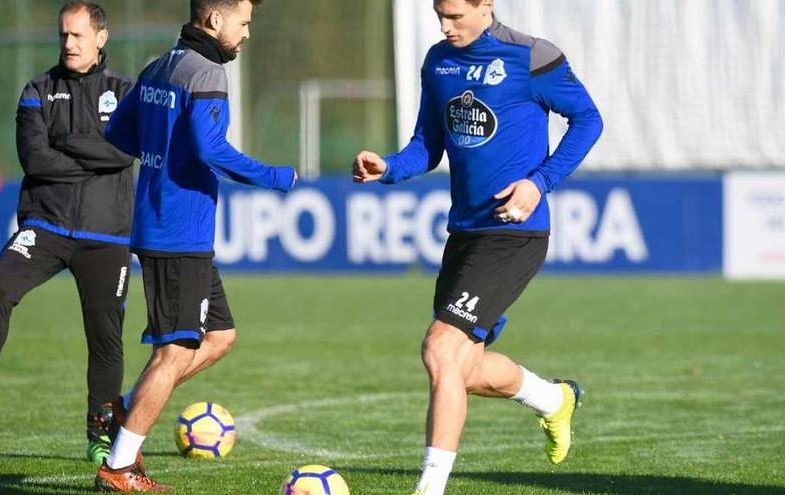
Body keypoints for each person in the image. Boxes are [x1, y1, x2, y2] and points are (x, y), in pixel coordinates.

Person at [353, 1, 603, 493]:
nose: (446, 26)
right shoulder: (438, 60)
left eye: (455, 16)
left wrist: (539, 182)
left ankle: (429, 489)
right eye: (438, 15)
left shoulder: (532, 57)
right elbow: (427, 145)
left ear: (486, 5)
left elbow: (588, 120)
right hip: (464, 234)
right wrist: (388, 167)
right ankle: (553, 400)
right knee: (462, 370)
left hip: (514, 233)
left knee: (440, 349)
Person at [96, 0, 296, 490]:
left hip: (170, 227)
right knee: (174, 352)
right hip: (177, 232)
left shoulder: (159, 65)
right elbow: (212, 149)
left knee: (220, 337)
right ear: (215, 19)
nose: (247, 33)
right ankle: (119, 465)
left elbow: (119, 131)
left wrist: (162, 153)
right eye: (244, 22)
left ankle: (126, 406)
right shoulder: (207, 71)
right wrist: (276, 176)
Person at [0, 1, 135, 466]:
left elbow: (126, 154)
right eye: (64, 34)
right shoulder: (37, 90)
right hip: (44, 225)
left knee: (105, 338)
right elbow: (35, 159)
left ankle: (100, 435)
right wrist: (94, 160)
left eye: (78, 35)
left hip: (106, 236)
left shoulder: (126, 92)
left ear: (101, 37)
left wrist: (70, 146)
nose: (68, 43)